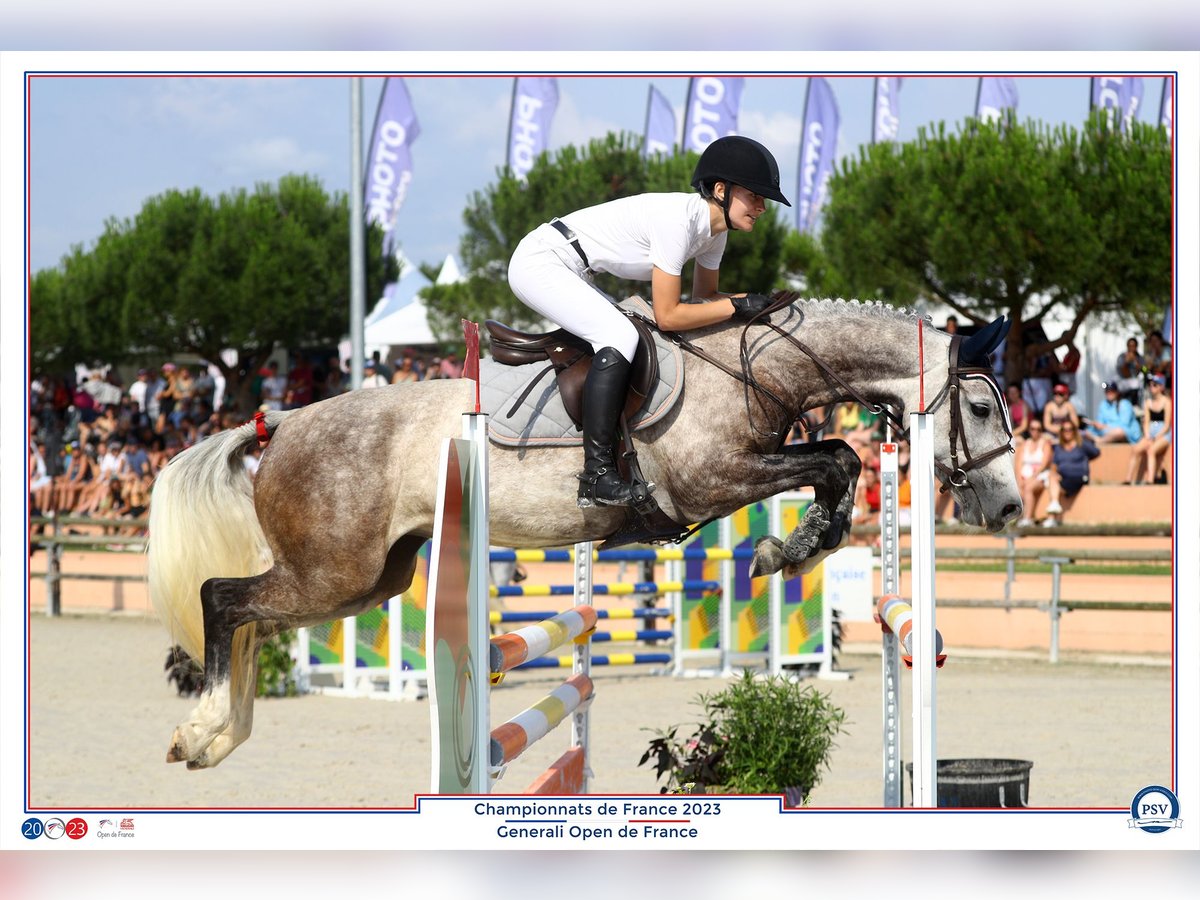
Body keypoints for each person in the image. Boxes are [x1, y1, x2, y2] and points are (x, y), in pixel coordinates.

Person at [507, 135, 791, 507]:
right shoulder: (678, 222)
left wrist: (756, 303)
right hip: (540, 261)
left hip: (573, 267)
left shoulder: (714, 235)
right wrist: (737, 307)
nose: (762, 207)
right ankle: (595, 475)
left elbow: (704, 301)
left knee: (633, 334)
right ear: (721, 190)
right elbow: (670, 315)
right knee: (620, 335)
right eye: (755, 195)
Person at [1044, 421, 1099, 527]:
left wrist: (1086, 459)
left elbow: (1096, 452)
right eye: (1064, 430)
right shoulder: (1059, 448)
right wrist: (1056, 474)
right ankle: (1053, 516)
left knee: (1053, 486)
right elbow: (1054, 465)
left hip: (1079, 477)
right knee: (1052, 477)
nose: (1067, 432)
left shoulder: (1082, 444)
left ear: (1074, 431)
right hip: (1064, 479)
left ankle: (1052, 516)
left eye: (1070, 429)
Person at [1126, 374, 1172, 485]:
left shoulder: (1167, 402)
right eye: (1150, 384)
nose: (1151, 387)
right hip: (1151, 432)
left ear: (1161, 387)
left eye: (1155, 385)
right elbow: (1146, 422)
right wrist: (1147, 435)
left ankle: (1150, 480)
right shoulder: (1148, 402)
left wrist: (1156, 437)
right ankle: (1128, 480)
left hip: (1163, 433)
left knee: (1151, 450)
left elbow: (1167, 425)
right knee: (1136, 449)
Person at [1015, 419, 1054, 527]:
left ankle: (1028, 518)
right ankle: (1021, 517)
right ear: (1029, 430)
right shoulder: (1024, 444)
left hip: (1040, 475)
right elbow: (1018, 465)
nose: (1035, 431)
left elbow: (1044, 464)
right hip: (1024, 475)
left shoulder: (1045, 444)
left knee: (1028, 488)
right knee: (1019, 489)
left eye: (1038, 429)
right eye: (1032, 428)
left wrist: (1032, 477)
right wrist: (1019, 479)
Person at [1114, 336, 1144, 408]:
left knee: (1136, 384)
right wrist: (1126, 362)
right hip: (1122, 381)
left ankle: (1135, 406)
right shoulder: (1122, 357)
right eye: (1129, 346)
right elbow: (1125, 374)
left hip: (1135, 386)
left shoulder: (1140, 358)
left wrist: (1136, 362)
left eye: (1133, 346)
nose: (1131, 348)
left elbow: (1144, 370)